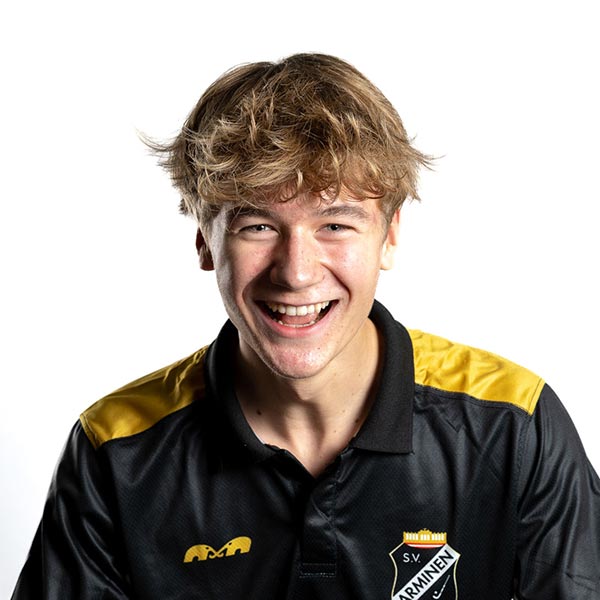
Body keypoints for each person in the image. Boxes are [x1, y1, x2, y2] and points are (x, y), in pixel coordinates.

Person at [11, 53, 600, 599]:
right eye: (257, 226)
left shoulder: (512, 422)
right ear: (204, 240)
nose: (296, 272)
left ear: (389, 236)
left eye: (335, 225)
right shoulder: (115, 450)